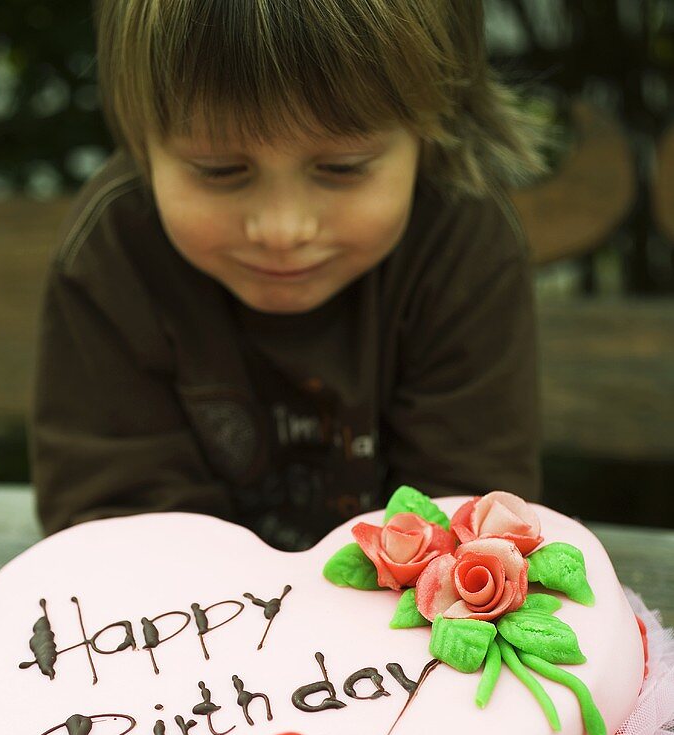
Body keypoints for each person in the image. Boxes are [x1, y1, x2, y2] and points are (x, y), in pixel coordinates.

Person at [32, 0, 547, 551]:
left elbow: (471, 522)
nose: (282, 230)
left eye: (342, 168)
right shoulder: (113, 253)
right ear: (140, 137)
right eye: (220, 172)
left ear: (436, 124)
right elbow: (113, 523)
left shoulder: (461, 240)